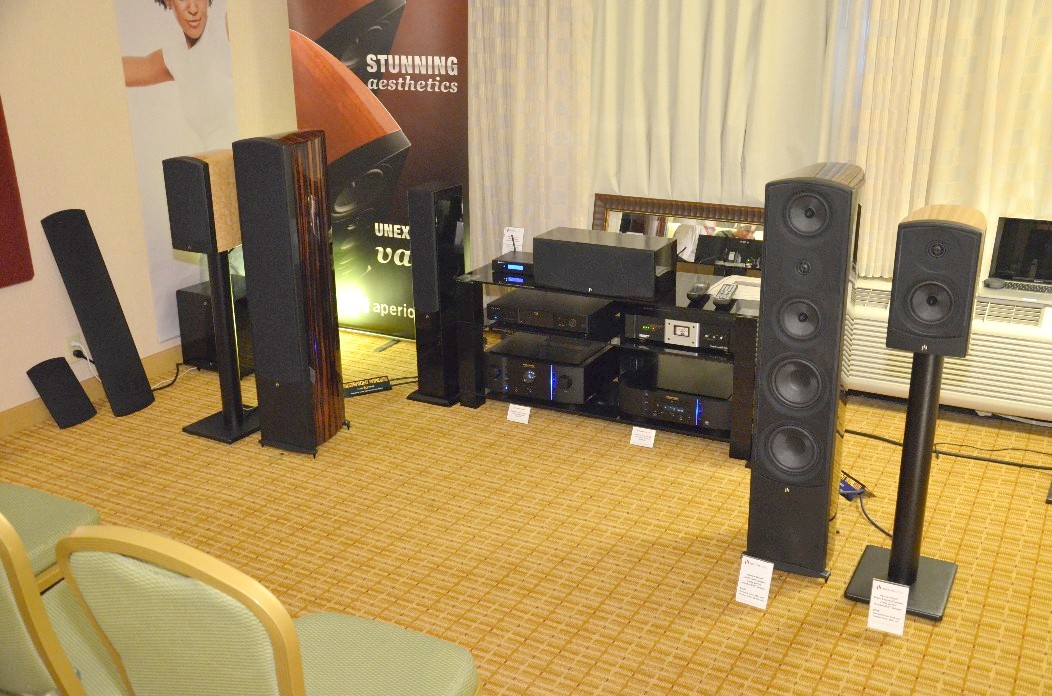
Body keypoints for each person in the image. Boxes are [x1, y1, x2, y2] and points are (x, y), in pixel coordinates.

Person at [122, 0, 237, 151]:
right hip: (216, 164)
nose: (193, 9)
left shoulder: (229, 26)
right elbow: (113, 71)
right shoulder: (175, 58)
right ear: (168, 2)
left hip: (255, 158)